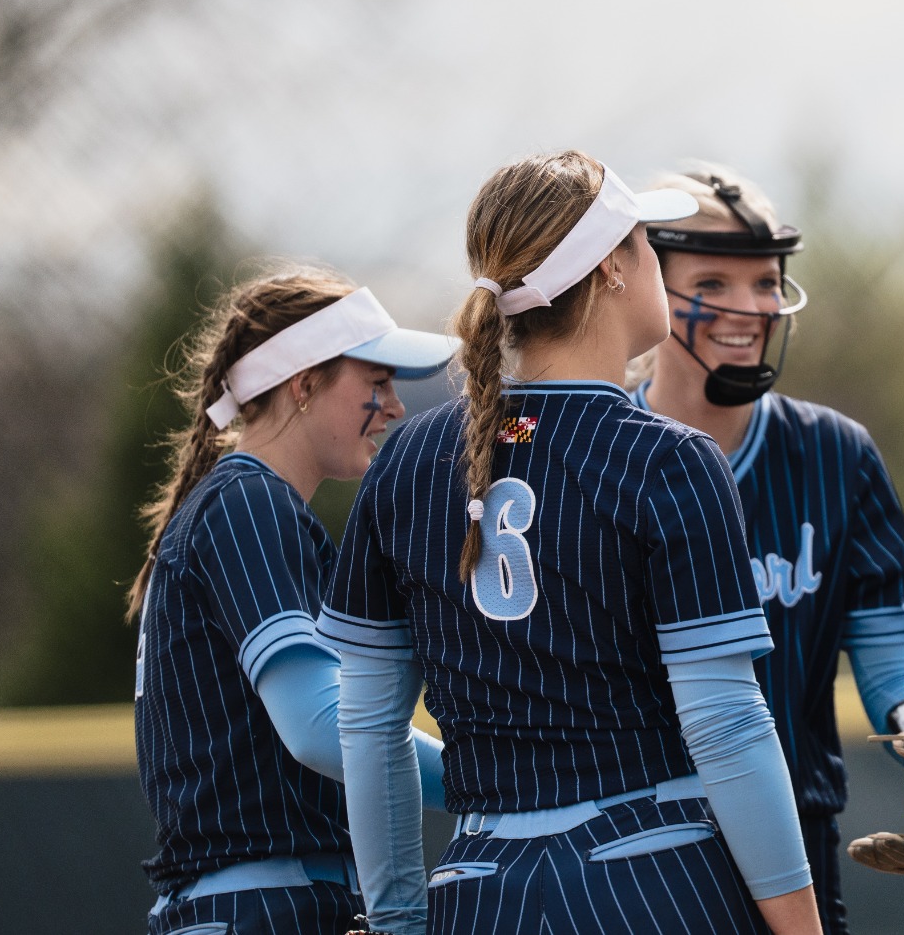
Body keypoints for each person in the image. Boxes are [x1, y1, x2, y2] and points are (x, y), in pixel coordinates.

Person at [319, 151, 824, 935]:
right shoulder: (671, 457)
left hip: (480, 885)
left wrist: (396, 923)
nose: (654, 257)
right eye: (645, 242)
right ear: (613, 268)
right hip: (652, 872)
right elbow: (726, 725)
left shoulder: (406, 460)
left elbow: (368, 727)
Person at [631, 163, 904, 935]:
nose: (751, 307)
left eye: (767, 282)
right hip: (630, 849)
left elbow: (888, 659)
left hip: (797, 850)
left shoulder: (834, 452)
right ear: (644, 288)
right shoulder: (600, 451)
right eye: (714, 280)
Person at [130, 271, 458, 935]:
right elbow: (319, 725)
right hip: (262, 904)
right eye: (375, 380)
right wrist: (484, 774)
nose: (394, 406)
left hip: (256, 901)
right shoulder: (248, 504)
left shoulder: (249, 506)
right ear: (303, 383)